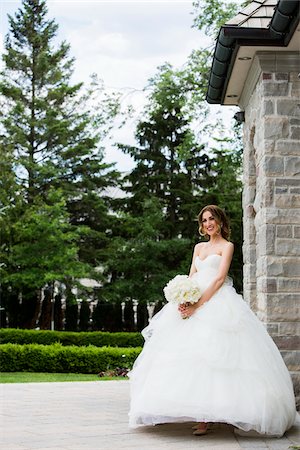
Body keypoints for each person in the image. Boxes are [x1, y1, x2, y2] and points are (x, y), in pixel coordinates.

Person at [128, 205, 296, 436]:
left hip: (216, 301)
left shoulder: (227, 246)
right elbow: (191, 275)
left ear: (220, 222)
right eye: (205, 220)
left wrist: (199, 305)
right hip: (193, 298)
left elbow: (218, 279)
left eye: (212, 219)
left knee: (220, 358)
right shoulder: (198, 247)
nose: (208, 223)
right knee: (185, 358)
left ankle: (217, 416)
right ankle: (190, 413)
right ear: (201, 225)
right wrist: (184, 298)